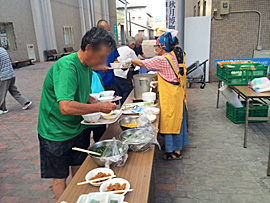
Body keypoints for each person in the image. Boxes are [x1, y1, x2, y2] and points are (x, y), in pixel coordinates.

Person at [37, 27, 117, 199]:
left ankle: (78, 198)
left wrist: (91, 100)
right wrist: (99, 108)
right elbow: (65, 107)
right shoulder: (67, 67)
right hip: (55, 132)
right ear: (88, 48)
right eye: (102, 56)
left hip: (76, 127)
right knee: (60, 177)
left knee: (79, 168)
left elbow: (77, 91)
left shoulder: (87, 67)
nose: (103, 61)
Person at [124, 30, 188, 160]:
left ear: (162, 47)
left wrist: (129, 60)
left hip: (171, 96)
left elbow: (143, 63)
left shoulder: (162, 59)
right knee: (175, 121)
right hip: (174, 94)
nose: (155, 48)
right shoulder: (171, 56)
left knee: (171, 122)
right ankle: (174, 146)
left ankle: (175, 150)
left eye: (156, 46)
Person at [0, 47, 32, 114]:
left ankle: (2, 109)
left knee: (1, 93)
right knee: (14, 90)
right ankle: (25, 102)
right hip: (11, 74)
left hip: (4, 76)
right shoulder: (2, 50)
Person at [96, 19, 120, 93]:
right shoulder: (93, 45)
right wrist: (99, 67)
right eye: (106, 31)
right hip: (98, 82)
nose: (108, 33)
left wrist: (120, 65)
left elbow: (116, 59)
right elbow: (87, 66)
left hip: (111, 80)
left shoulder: (111, 44)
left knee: (113, 103)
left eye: (109, 31)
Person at [114, 37, 139, 104]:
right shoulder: (131, 51)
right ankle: (124, 107)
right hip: (123, 75)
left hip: (115, 74)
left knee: (120, 94)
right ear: (132, 44)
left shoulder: (119, 48)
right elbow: (137, 63)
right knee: (126, 93)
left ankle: (121, 106)